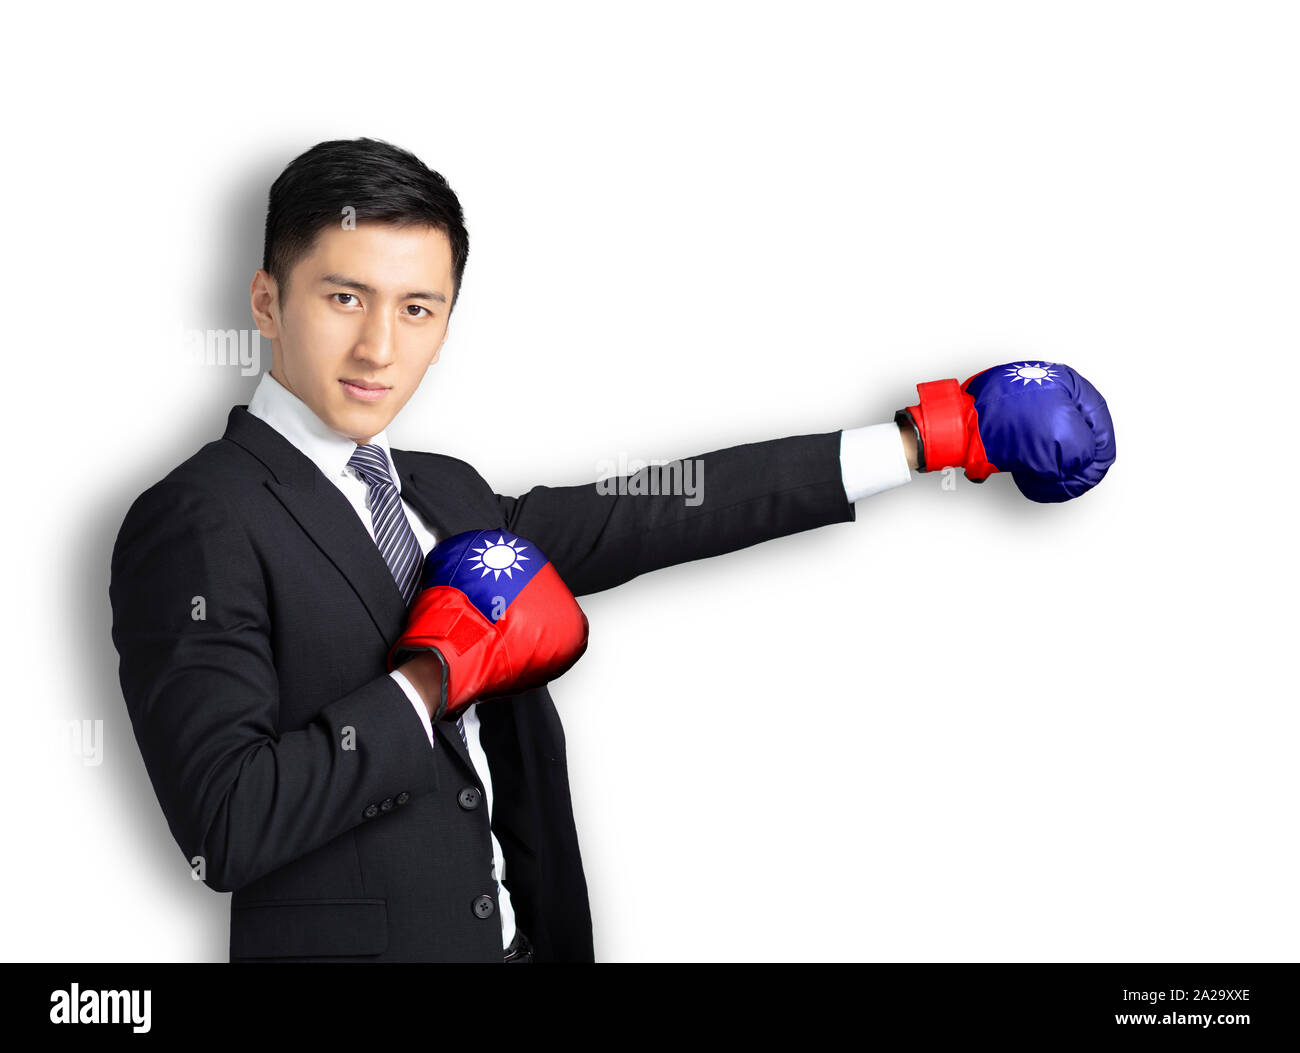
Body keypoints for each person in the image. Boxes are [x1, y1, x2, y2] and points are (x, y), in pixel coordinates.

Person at [108, 138, 1114, 963]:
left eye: (417, 309)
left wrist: (919, 441)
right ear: (266, 300)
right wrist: (430, 678)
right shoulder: (197, 518)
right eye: (343, 298)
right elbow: (225, 824)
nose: (380, 347)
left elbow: (654, 507)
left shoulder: (443, 491)